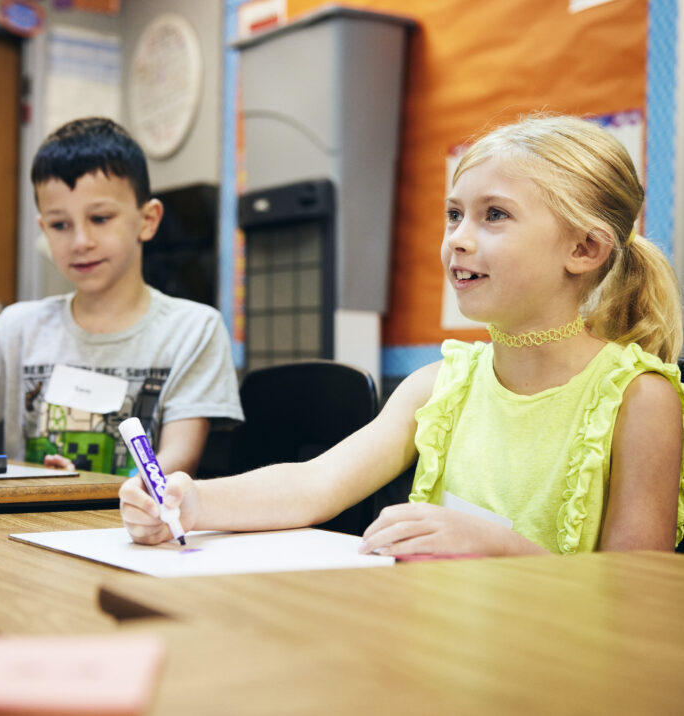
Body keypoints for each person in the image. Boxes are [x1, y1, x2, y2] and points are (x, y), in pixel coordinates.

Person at [121, 114, 684, 556]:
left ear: (584, 249)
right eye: (454, 214)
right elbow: (314, 484)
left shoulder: (641, 400)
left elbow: (636, 591)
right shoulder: (440, 384)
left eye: (495, 216)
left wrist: (499, 550)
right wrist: (190, 501)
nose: (458, 239)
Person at [0, 117, 243, 476]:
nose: (80, 242)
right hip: (30, 528)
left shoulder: (193, 329)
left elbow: (180, 461)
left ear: (148, 220)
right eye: (60, 225)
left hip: (133, 532)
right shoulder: (19, 327)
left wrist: (91, 484)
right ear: (43, 228)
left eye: (100, 218)